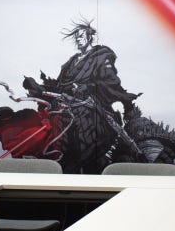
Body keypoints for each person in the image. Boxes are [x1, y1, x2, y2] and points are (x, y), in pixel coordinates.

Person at [23, 18, 140, 173]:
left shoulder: (101, 56)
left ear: (89, 37)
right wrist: (38, 87)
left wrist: (88, 86)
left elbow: (112, 81)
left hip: (90, 108)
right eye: (76, 37)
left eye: (81, 36)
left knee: (83, 146)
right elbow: (60, 86)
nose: (78, 40)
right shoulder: (72, 62)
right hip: (66, 108)